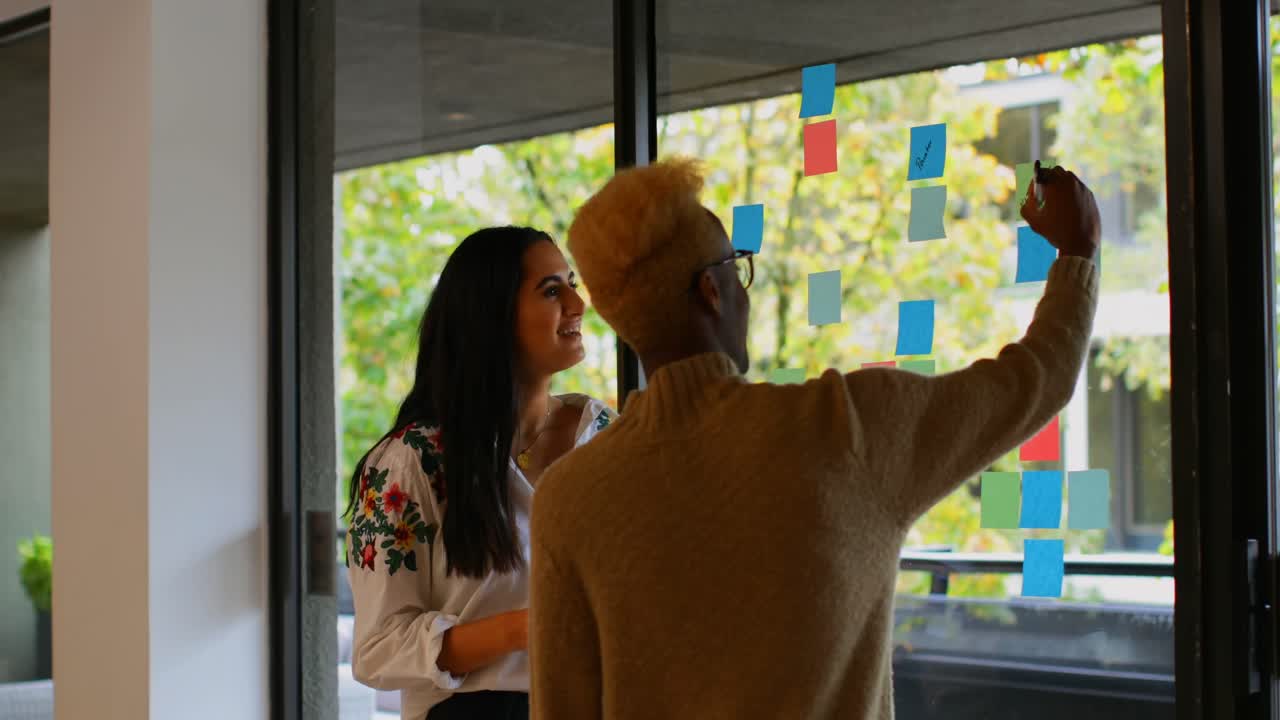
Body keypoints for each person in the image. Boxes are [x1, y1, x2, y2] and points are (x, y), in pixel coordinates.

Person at [528, 158, 1100, 719]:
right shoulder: (841, 429)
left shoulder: (570, 498)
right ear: (712, 291)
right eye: (738, 266)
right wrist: (1078, 251)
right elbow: (1035, 379)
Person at [345, 225, 618, 720]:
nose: (579, 303)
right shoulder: (410, 462)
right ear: (492, 316)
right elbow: (377, 650)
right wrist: (523, 630)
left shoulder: (606, 437)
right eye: (552, 290)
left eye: (572, 284)